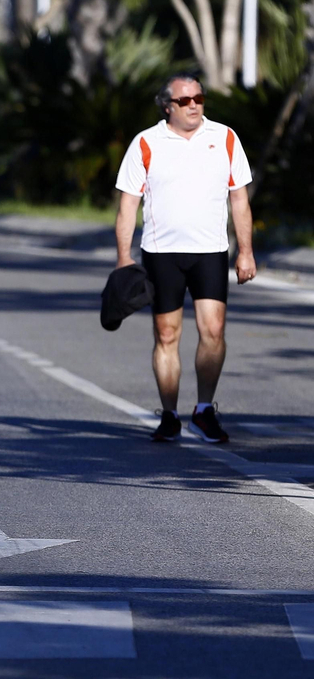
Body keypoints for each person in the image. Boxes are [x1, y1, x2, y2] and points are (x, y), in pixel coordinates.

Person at [114, 73, 255, 444]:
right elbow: (128, 205)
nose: (194, 105)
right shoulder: (146, 143)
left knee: (213, 331)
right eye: (184, 100)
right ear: (167, 106)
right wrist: (123, 257)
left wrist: (245, 251)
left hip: (210, 251)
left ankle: (204, 410)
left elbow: (239, 199)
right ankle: (169, 415)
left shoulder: (225, 138)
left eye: (199, 98)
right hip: (162, 254)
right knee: (166, 334)